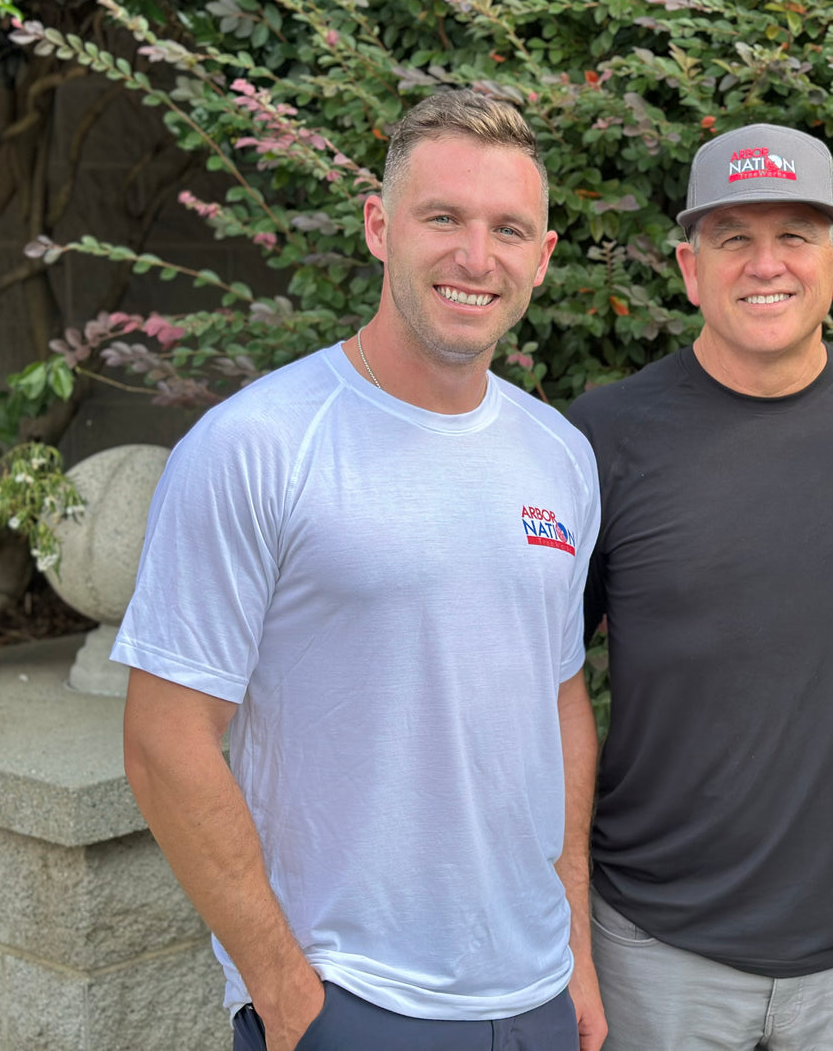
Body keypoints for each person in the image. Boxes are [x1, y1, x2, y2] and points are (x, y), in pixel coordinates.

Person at [117, 91, 606, 1051]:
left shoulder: (560, 455)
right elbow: (164, 737)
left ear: (542, 258)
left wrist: (576, 943)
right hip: (352, 1001)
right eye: (444, 218)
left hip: (536, 993)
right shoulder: (258, 446)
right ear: (380, 227)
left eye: (509, 228)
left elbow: (559, 700)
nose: (477, 256)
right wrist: (285, 991)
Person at [565, 123, 833, 1050]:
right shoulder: (604, 437)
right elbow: (544, 689)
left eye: (795, 234)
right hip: (656, 944)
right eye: (733, 235)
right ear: (689, 266)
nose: (764, 263)